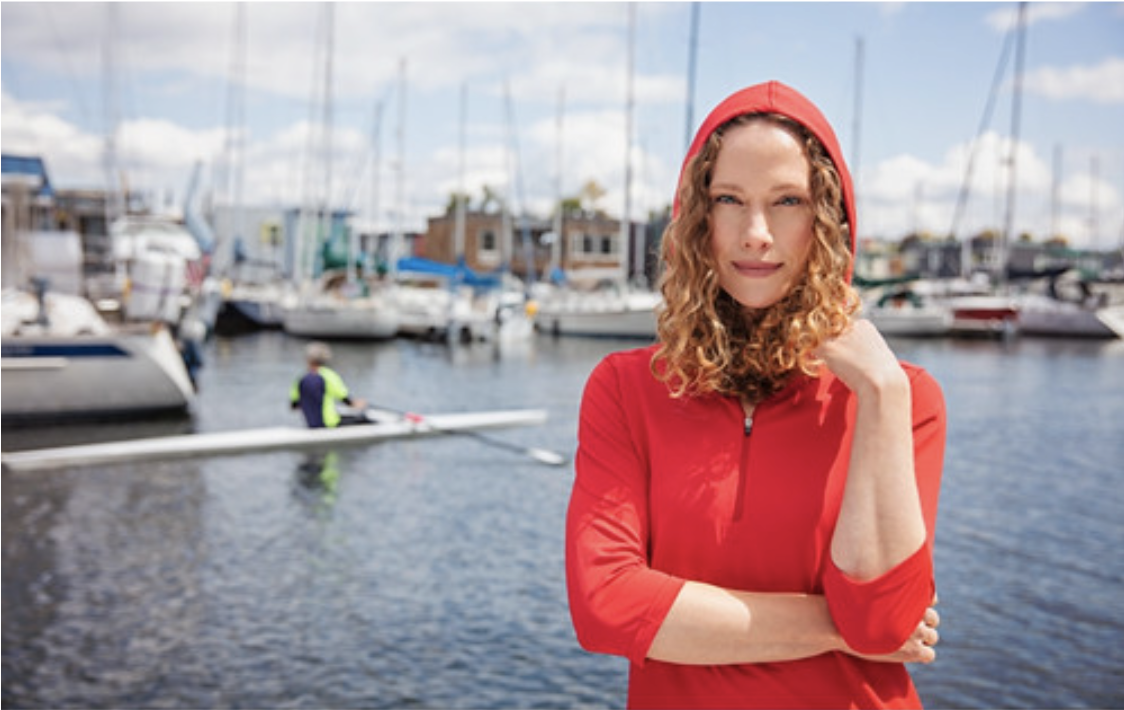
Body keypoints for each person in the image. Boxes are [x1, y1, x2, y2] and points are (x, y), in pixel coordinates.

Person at [565, 81, 946, 709]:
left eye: (788, 201)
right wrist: (836, 628)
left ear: (829, 218)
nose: (756, 233)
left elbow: (882, 622)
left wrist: (880, 393)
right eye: (730, 200)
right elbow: (606, 604)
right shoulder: (626, 389)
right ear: (697, 216)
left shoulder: (903, 397)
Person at [290, 341, 369, 428]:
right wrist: (360, 404)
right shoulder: (329, 376)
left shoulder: (301, 379)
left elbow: (294, 406)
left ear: (308, 360)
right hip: (330, 424)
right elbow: (347, 401)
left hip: (311, 425)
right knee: (364, 419)